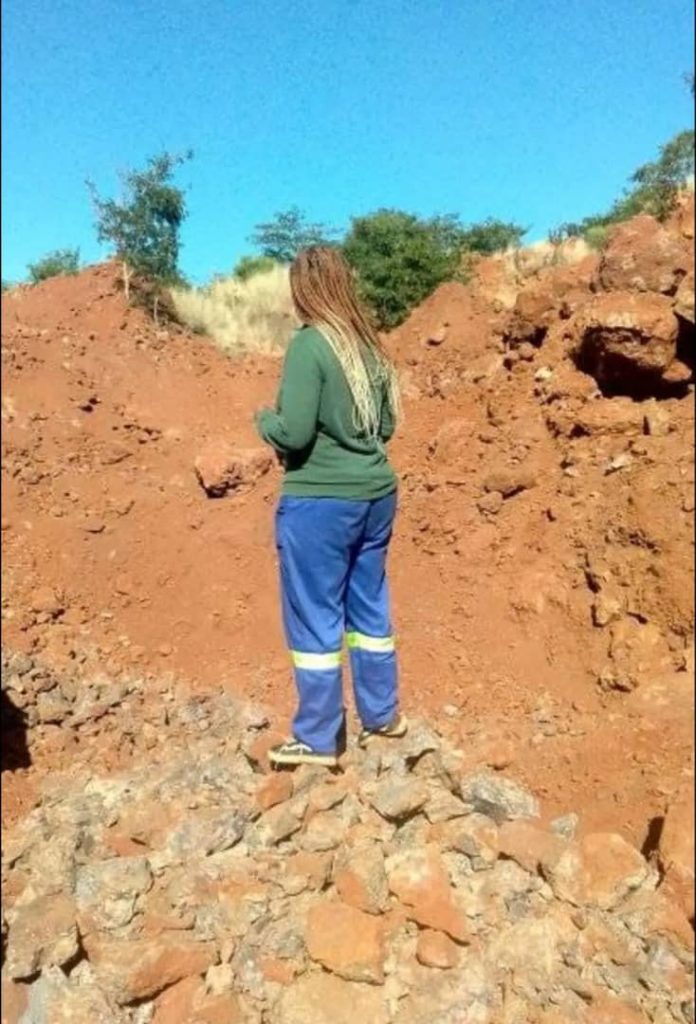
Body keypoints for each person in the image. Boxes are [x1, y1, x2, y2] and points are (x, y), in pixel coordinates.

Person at [255, 246, 407, 768]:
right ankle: (383, 717)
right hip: (377, 495)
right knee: (368, 608)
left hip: (320, 502)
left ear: (304, 288)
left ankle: (318, 737)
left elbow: (293, 431)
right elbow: (385, 428)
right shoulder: (368, 346)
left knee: (315, 617)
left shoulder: (310, 345)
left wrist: (264, 422)